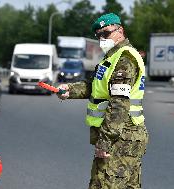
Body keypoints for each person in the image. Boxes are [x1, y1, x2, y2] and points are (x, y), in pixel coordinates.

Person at [57, 13, 149, 188]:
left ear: (120, 30)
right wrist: (70, 90)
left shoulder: (124, 59)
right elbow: (96, 87)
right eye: (98, 36)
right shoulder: (111, 57)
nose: (102, 39)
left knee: (102, 185)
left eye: (106, 34)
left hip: (120, 138)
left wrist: (105, 142)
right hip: (126, 136)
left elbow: (118, 106)